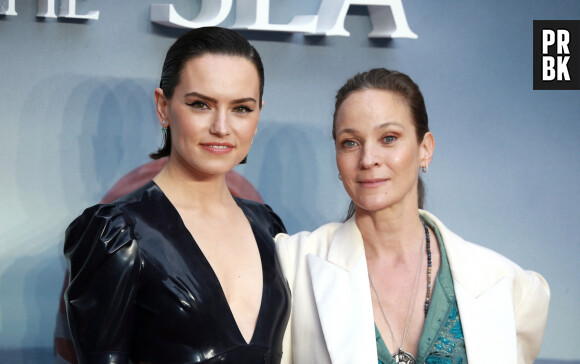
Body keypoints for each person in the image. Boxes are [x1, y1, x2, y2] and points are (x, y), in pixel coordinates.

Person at [275, 68, 550, 364]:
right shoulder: (293, 264)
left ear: (425, 149)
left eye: (389, 138)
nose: (368, 159)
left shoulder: (506, 284)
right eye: (350, 142)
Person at [63, 27, 290, 364]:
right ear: (163, 107)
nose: (222, 127)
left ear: (258, 116)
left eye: (241, 108)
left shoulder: (268, 228)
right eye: (201, 104)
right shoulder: (118, 233)